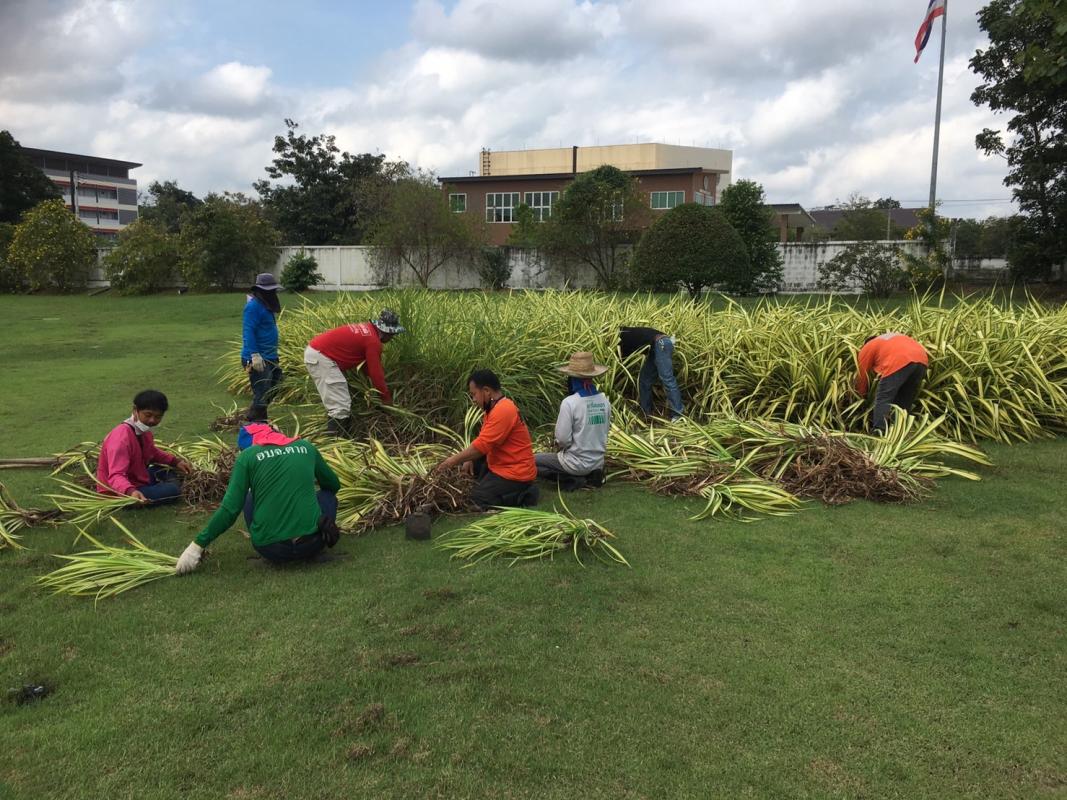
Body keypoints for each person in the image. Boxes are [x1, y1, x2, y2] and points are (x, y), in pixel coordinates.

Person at [174, 423, 341, 574]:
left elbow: (230, 509)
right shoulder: (306, 447)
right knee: (326, 496)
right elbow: (333, 485)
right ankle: (317, 547)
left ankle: (271, 546)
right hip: (312, 544)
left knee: (249, 497)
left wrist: (196, 547)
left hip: (271, 550)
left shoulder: (247, 457)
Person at [434, 369, 539, 510]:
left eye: (474, 394)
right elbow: (483, 440)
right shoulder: (493, 409)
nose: (473, 400)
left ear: (486, 391)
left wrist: (450, 461)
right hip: (500, 464)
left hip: (516, 473)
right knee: (465, 467)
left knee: (476, 499)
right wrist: (469, 459)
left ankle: (524, 493)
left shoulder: (504, 410)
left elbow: (482, 445)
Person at [304, 309, 405, 436]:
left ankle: (341, 441)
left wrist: (375, 390)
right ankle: (334, 446)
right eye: (392, 334)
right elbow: (376, 373)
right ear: (386, 332)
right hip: (322, 357)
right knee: (339, 406)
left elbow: (367, 367)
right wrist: (386, 398)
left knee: (339, 403)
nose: (392, 337)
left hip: (318, 353)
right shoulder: (373, 341)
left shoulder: (368, 330)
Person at [96, 390, 193, 505]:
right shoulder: (121, 439)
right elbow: (116, 475)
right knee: (173, 490)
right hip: (119, 492)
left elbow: (152, 453)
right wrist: (131, 491)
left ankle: (167, 484)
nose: (152, 420)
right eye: (148, 415)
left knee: (163, 470)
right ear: (135, 410)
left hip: (138, 478)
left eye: (157, 417)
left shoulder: (144, 431)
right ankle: (168, 486)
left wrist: (175, 461)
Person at [535, 352, 612, 490]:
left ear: (572, 379)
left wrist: (562, 449)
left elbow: (563, 439)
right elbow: (605, 431)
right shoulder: (604, 400)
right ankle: (591, 476)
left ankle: (572, 479)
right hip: (597, 462)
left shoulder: (570, 403)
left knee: (531, 460)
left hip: (574, 463)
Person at [855, 332, 929, 433]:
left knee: (883, 397)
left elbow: (862, 375)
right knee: (904, 399)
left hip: (900, 360)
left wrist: (860, 396)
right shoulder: (888, 338)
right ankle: (898, 432)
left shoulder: (867, 347)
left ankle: (879, 432)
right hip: (922, 359)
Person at [242, 272, 283, 420]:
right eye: (268, 290)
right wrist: (254, 355)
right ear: (260, 290)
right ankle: (257, 422)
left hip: (270, 355)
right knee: (262, 390)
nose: (272, 293)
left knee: (277, 383)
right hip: (257, 357)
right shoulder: (253, 307)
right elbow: (248, 331)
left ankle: (255, 414)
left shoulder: (266, 305)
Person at [619, 326, 684, 420]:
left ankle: (678, 415)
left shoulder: (620, 337)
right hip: (657, 346)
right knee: (644, 380)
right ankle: (646, 412)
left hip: (661, 344)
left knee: (667, 379)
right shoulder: (624, 332)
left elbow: (621, 358)